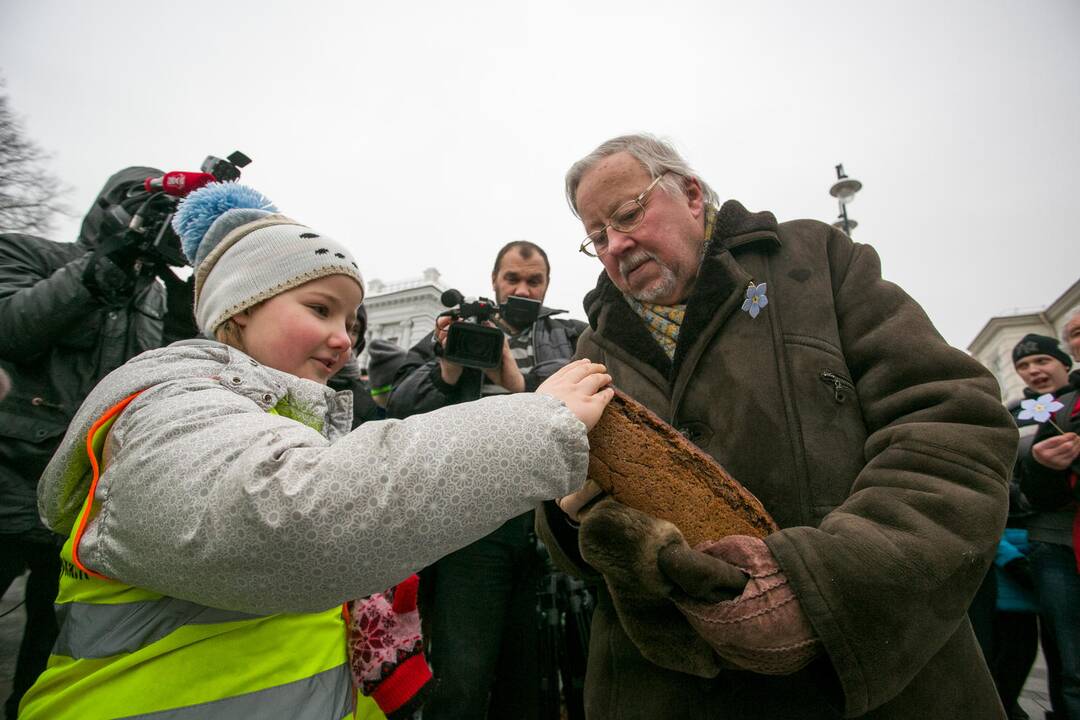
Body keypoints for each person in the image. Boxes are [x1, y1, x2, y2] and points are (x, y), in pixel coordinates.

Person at [18, 183, 612, 719]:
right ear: (240, 308)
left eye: (350, 319)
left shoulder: (275, 413)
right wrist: (540, 420)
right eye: (319, 309)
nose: (344, 338)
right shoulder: (170, 404)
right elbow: (300, 518)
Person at [535, 134, 1017, 719]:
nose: (615, 244)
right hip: (672, 690)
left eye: (628, 213)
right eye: (596, 237)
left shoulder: (814, 260)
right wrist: (564, 508)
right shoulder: (592, 350)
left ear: (690, 193)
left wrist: (822, 582)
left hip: (868, 678)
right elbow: (578, 542)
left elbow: (950, 421)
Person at [0, 166, 198, 719]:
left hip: (85, 499)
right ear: (115, 205)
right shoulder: (29, 253)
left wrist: (188, 298)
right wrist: (111, 263)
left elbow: (172, 374)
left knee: (51, 646)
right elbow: (10, 327)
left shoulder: (156, 297)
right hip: (9, 477)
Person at [387, 240, 587, 720]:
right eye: (512, 278)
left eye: (533, 280)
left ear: (547, 285)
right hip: (472, 522)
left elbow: (591, 401)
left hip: (549, 520)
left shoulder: (570, 334)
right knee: (462, 670)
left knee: (531, 672)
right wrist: (448, 370)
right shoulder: (458, 330)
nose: (522, 288)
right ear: (495, 280)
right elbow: (395, 407)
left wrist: (523, 388)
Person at [1020, 324, 1080, 720]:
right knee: (1069, 661)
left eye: (1042, 359)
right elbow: (1025, 491)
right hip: (1050, 543)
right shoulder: (1024, 415)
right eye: (1023, 365)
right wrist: (1041, 466)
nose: (1033, 370)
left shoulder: (1069, 403)